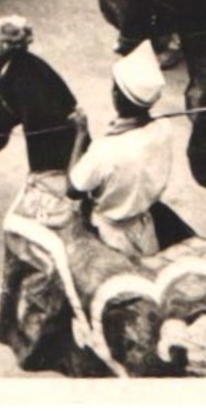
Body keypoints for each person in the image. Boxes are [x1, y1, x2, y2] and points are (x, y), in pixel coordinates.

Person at [67, 42, 183, 258]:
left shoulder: (105, 150)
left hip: (107, 237)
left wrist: (80, 134)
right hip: (145, 228)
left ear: (116, 96)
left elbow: (73, 189)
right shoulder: (164, 128)